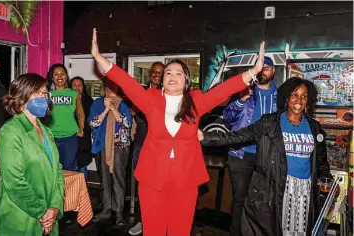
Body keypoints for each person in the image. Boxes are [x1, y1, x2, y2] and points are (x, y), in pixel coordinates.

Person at [91, 28, 265, 236]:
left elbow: (223, 90)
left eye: (178, 73)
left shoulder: (196, 101)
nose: (172, 76)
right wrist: (99, 58)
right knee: (153, 231)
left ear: (186, 81)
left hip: (185, 181)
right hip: (152, 180)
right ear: (163, 81)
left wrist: (253, 72)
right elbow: (127, 83)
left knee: (180, 231)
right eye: (168, 73)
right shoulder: (151, 99)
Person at [199, 77, 331, 236]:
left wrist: (327, 179)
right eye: (295, 95)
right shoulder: (270, 123)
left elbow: (321, 162)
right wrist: (205, 137)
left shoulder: (314, 127)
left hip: (305, 192)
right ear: (287, 97)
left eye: (304, 96)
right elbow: (238, 136)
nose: (299, 100)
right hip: (277, 190)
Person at [0, 73, 64, 236]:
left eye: (45, 92)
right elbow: (15, 182)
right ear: (22, 96)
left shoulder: (46, 131)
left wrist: (55, 207)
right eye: (38, 93)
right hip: (21, 216)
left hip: (48, 214)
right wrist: (42, 212)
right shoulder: (11, 131)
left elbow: (58, 172)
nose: (44, 97)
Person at [222, 56, 277, 236]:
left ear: (273, 71)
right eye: (260, 68)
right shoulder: (244, 90)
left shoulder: (282, 96)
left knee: (265, 200)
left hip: (269, 156)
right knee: (240, 199)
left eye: (267, 67)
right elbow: (228, 118)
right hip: (241, 154)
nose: (263, 71)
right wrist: (241, 100)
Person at [89, 79, 132, 225]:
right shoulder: (97, 103)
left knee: (118, 179)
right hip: (102, 146)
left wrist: (114, 108)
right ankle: (106, 209)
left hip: (119, 147)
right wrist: (106, 109)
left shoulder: (122, 103)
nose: (109, 91)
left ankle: (119, 212)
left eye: (112, 88)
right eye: (107, 88)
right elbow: (92, 123)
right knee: (105, 179)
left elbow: (127, 123)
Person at [129, 61, 164, 235]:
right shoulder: (142, 91)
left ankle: (159, 221)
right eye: (155, 72)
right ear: (150, 74)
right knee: (142, 186)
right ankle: (142, 221)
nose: (157, 75)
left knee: (161, 186)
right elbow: (134, 113)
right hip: (141, 144)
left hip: (162, 149)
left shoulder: (169, 94)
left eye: (160, 72)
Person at [46, 64, 85, 171]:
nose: (59, 77)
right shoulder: (46, 94)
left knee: (68, 169)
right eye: (56, 74)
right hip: (50, 137)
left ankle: (67, 189)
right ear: (52, 77)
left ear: (66, 76)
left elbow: (80, 113)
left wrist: (81, 127)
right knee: (52, 169)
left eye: (62, 74)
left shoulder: (74, 93)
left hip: (70, 137)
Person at [70, 76, 94, 180]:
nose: (77, 88)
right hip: (70, 137)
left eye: (80, 85)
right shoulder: (67, 100)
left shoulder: (89, 100)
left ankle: (83, 194)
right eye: (74, 85)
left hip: (84, 138)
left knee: (82, 167)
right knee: (70, 167)